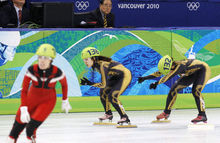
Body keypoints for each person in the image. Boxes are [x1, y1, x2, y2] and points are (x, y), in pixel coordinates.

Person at [7, 44, 72, 143]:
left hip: (47, 102)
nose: (42, 60)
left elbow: (64, 85)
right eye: (40, 57)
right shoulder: (31, 70)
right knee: (16, 128)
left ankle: (32, 139)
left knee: (30, 128)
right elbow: (24, 90)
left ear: (51, 60)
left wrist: (65, 99)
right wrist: (24, 108)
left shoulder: (57, 72)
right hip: (31, 99)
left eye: (45, 58)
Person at [138, 55, 211, 123]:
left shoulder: (180, 66)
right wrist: (144, 78)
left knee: (196, 91)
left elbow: (169, 76)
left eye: (169, 69)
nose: (169, 70)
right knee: (173, 89)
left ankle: (202, 115)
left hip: (203, 70)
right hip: (191, 73)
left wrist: (156, 83)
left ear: (171, 65)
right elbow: (159, 73)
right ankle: (166, 113)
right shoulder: (172, 65)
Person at [80, 47, 131, 124]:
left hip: (124, 76)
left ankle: (124, 117)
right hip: (115, 76)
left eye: (87, 59)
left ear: (93, 58)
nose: (85, 62)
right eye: (84, 60)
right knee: (103, 92)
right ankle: (108, 114)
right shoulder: (97, 64)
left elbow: (103, 84)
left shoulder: (102, 65)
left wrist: (90, 83)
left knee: (112, 96)